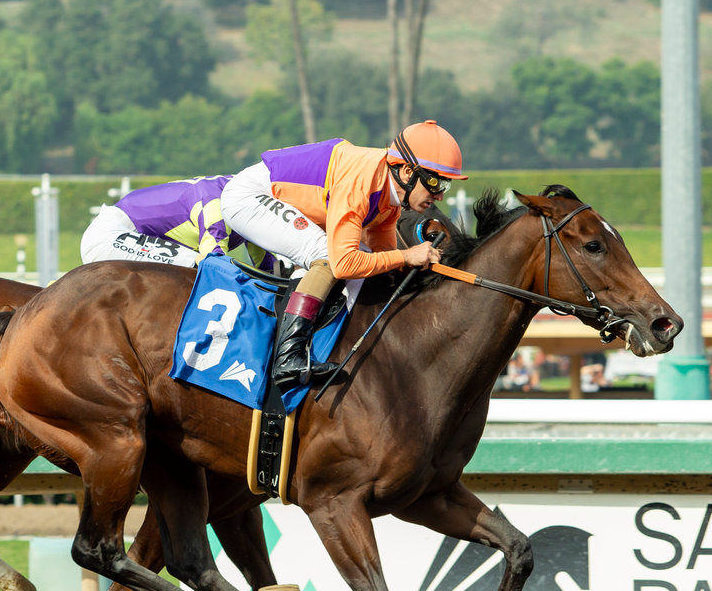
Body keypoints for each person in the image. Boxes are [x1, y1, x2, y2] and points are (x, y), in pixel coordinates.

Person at [219, 119, 467, 390]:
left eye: (446, 185)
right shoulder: (360, 183)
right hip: (249, 196)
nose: (440, 195)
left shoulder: (390, 201)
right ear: (407, 172)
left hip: (284, 199)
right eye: (435, 182)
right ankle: (288, 356)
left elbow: (381, 255)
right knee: (326, 255)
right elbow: (344, 264)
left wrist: (413, 267)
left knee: (362, 257)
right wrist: (407, 257)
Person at [81, 174, 273, 271]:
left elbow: (268, 268)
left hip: (118, 232)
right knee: (196, 269)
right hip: (109, 236)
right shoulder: (215, 205)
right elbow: (212, 267)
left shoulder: (247, 202)